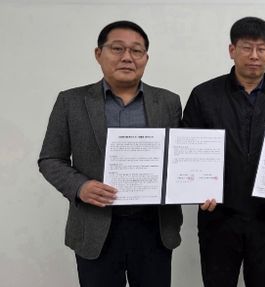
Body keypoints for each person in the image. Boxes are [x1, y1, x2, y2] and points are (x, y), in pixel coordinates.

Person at [38, 21, 183, 287]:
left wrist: (201, 186)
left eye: (136, 51)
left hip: (154, 227)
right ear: (98, 54)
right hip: (95, 226)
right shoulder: (71, 101)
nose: (127, 57)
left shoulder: (168, 101)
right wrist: (80, 187)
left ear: (146, 58)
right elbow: (50, 158)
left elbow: (179, 158)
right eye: (117, 48)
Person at [182, 16, 265, 287]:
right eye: (247, 48)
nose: (254, 56)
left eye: (261, 49)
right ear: (232, 50)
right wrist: (194, 189)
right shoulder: (204, 95)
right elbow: (187, 152)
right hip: (218, 216)